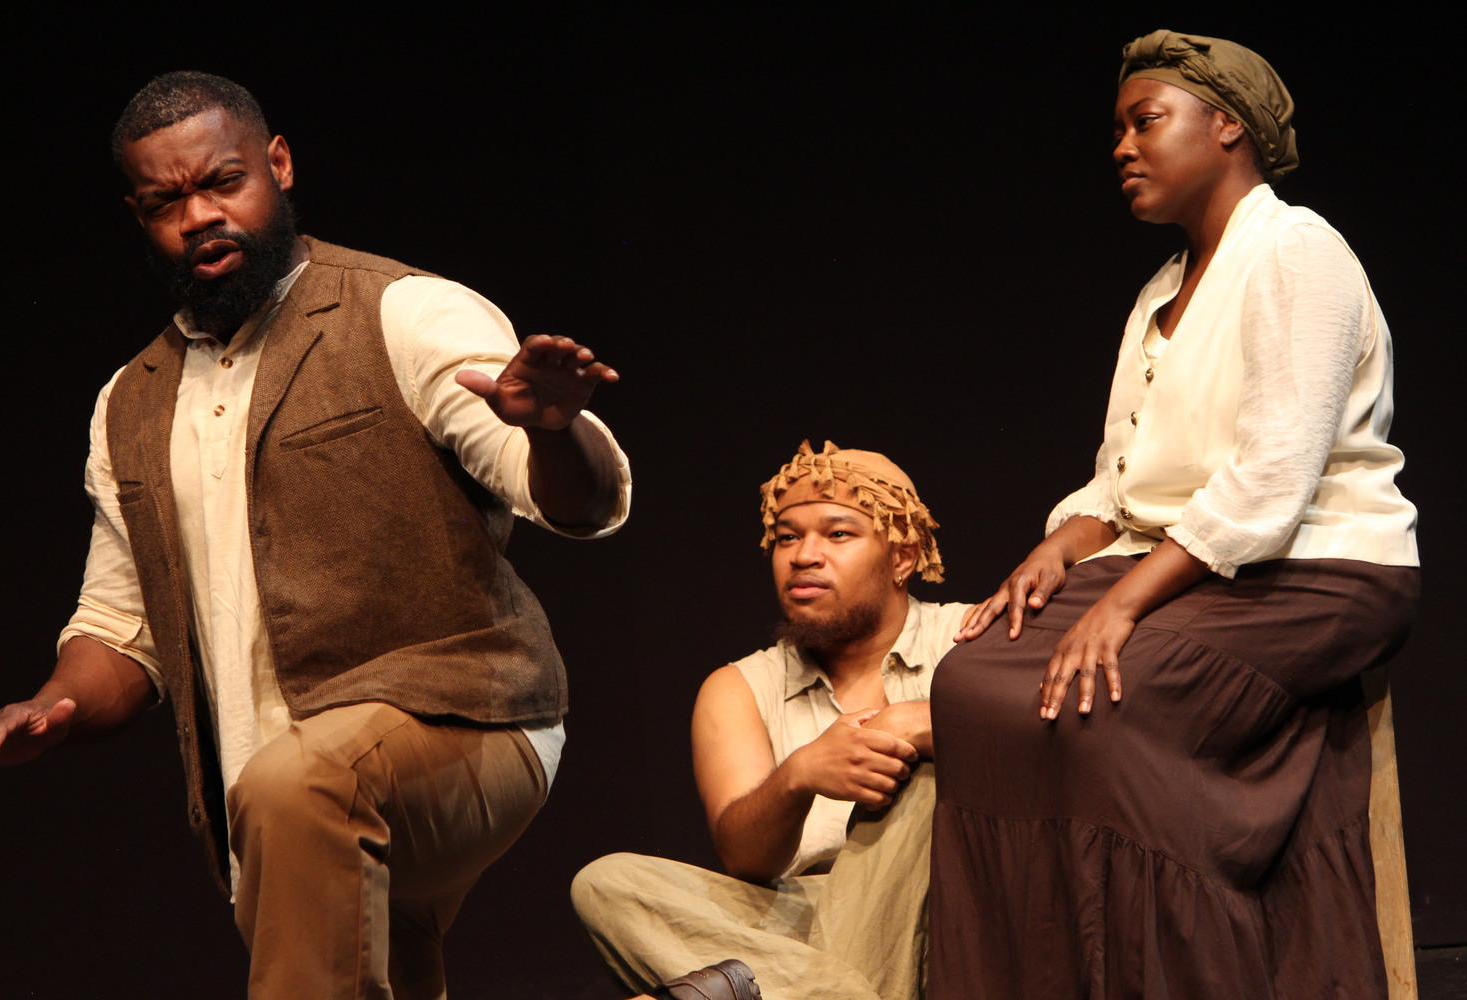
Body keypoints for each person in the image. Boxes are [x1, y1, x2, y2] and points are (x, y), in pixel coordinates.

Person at [0, 71, 631, 999]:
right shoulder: (130, 403)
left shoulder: (405, 312)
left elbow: (573, 502)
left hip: (465, 724)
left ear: (277, 165)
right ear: (139, 214)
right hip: (272, 794)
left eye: (222, 181)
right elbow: (122, 629)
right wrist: (54, 706)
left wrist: (554, 431)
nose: (199, 215)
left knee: (302, 789)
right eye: (168, 201)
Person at [928, 31, 1419, 1000]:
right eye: (1116, 128)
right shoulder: (1159, 293)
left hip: (1319, 568)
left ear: (1226, 124)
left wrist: (1122, 606)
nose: (1121, 146)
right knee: (970, 681)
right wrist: (1060, 547)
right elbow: (1124, 475)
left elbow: (1273, 479)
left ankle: (1191, 970)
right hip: (1187, 558)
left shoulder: (1296, 251)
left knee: (1097, 710)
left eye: (1144, 121)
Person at [573, 440, 970, 1000]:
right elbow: (745, 860)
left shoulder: (970, 638)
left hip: (938, 911)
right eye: (787, 537)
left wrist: (915, 723)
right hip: (796, 919)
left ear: (902, 558)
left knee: (916, 780)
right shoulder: (737, 687)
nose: (803, 555)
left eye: (837, 534)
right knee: (608, 884)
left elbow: (1040, 746)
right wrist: (798, 775)